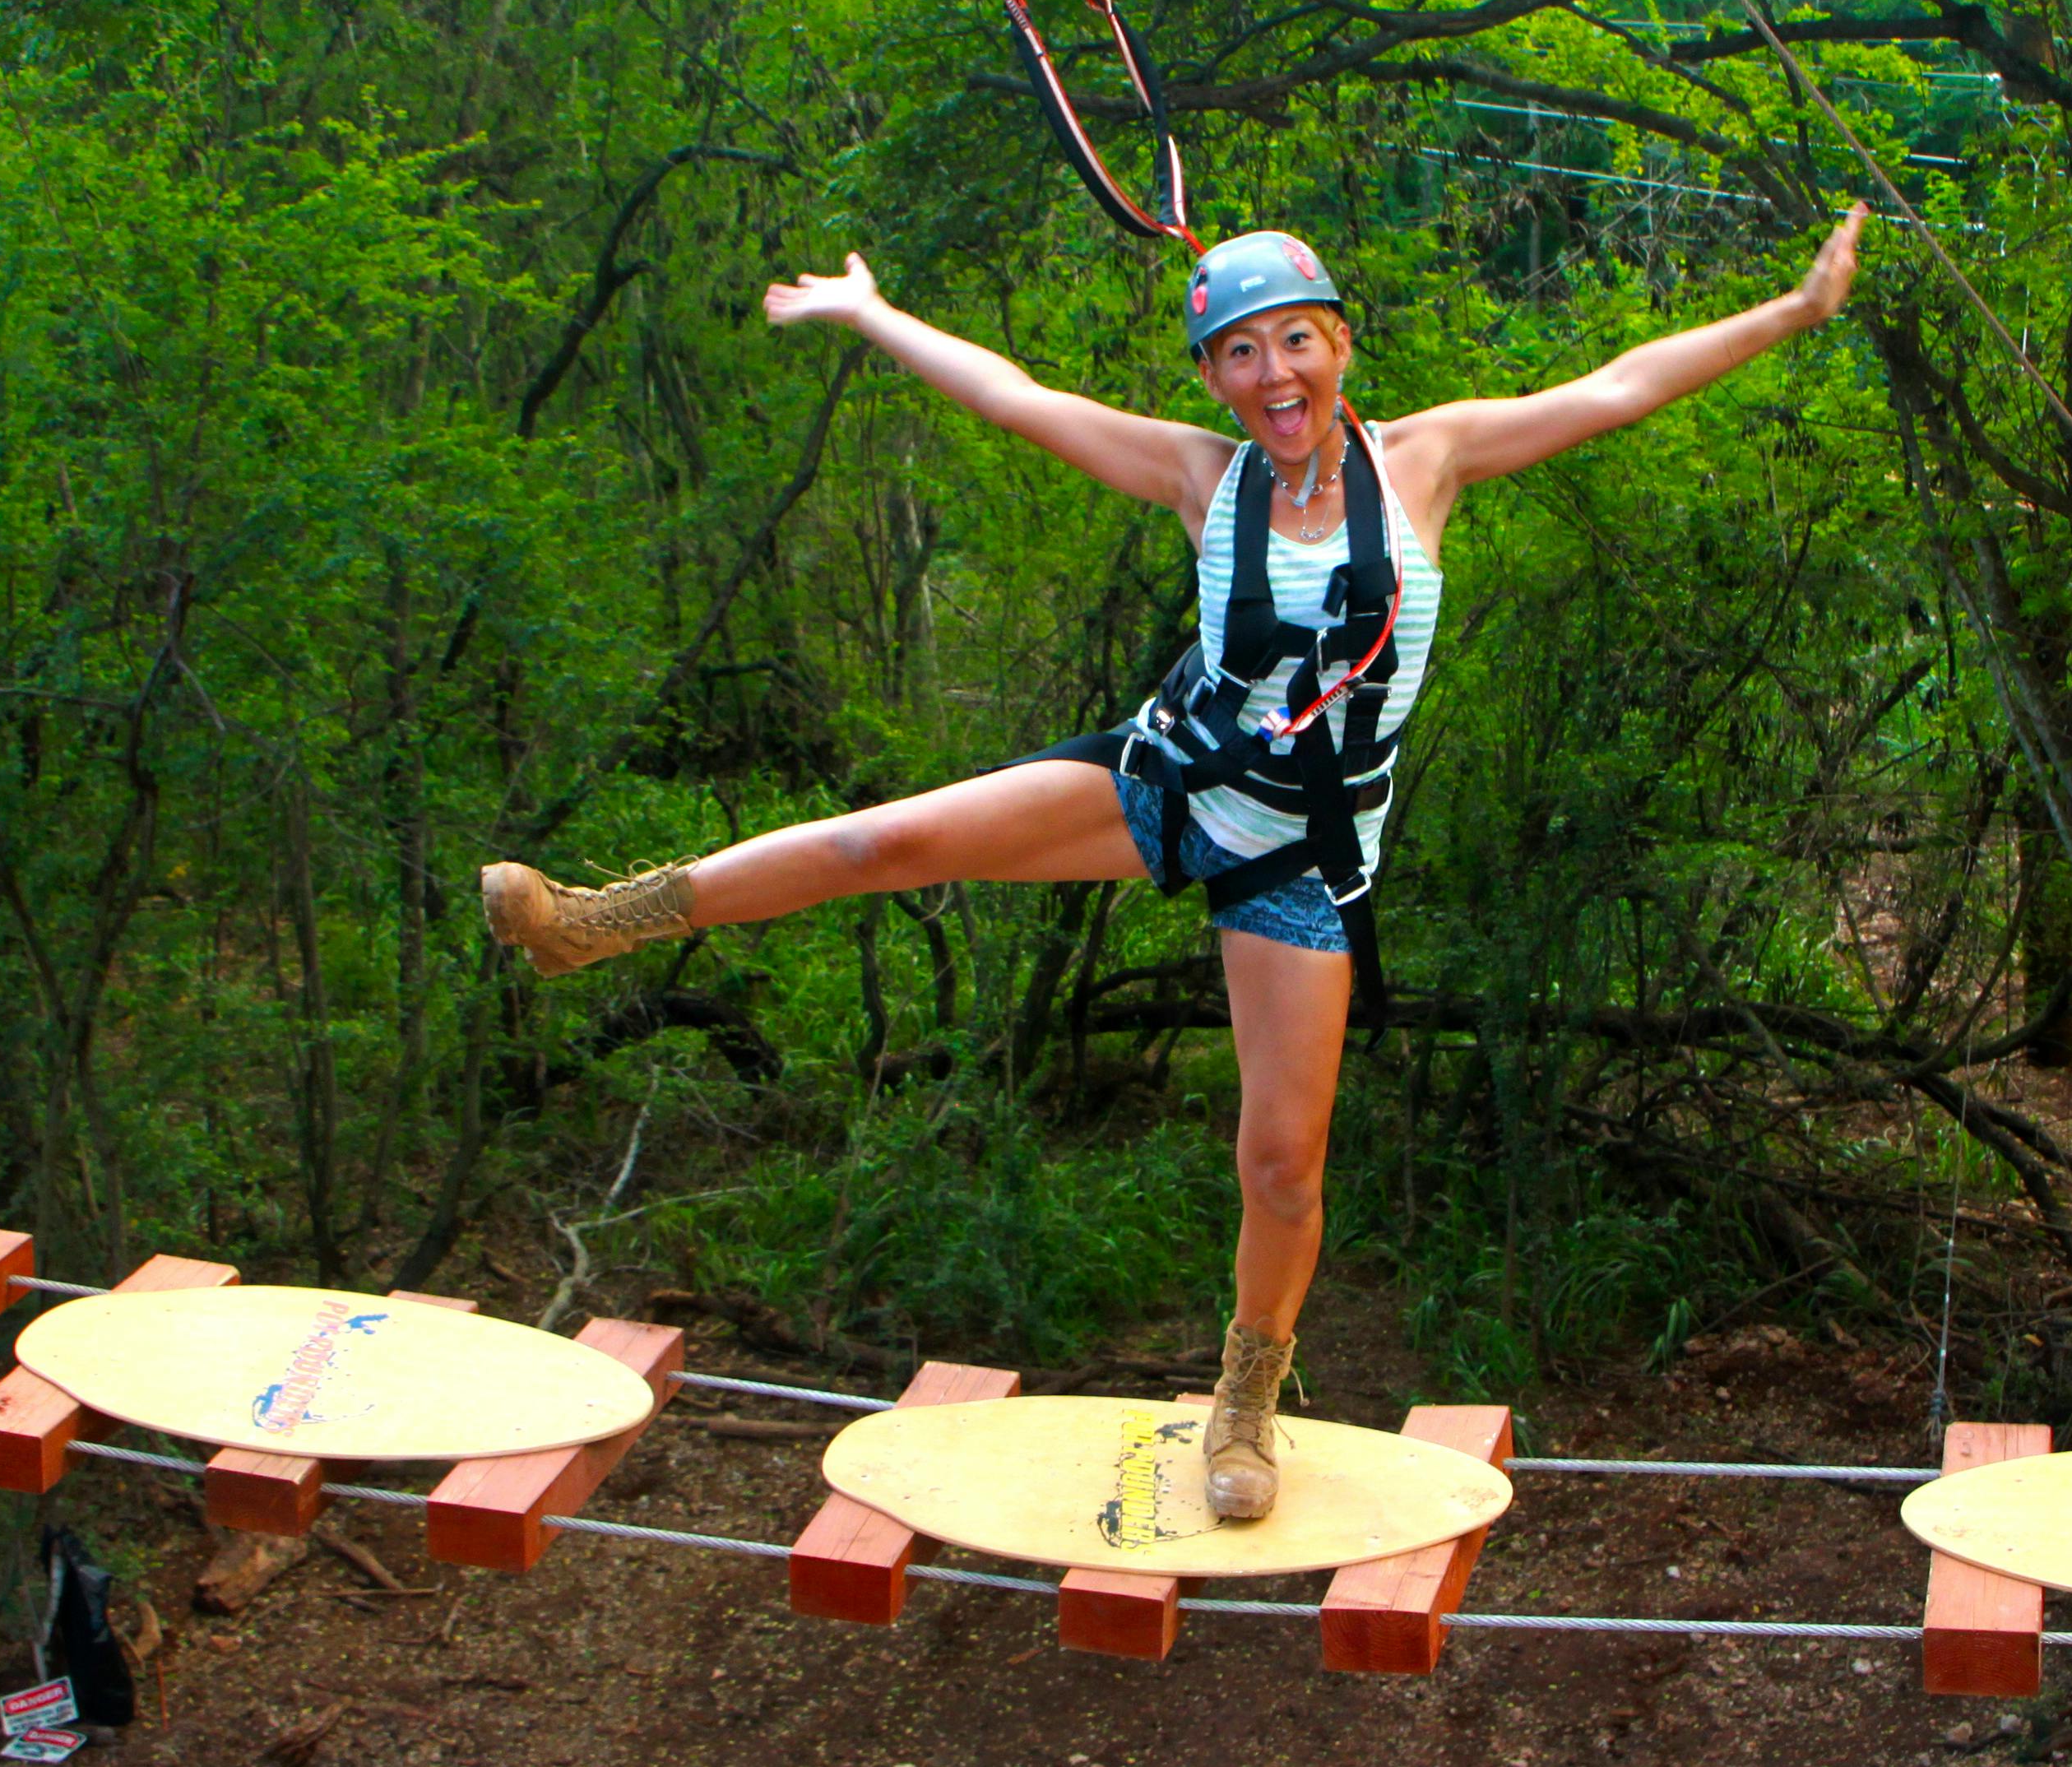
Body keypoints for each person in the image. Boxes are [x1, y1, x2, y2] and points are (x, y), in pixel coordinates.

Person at [480, 209, 1868, 1518]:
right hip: (1163, 782)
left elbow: (1621, 386)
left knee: (1281, 1166)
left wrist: (1799, 309)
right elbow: (1018, 399)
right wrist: (874, 312)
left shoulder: (1429, 461)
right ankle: (596, 921)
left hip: (1301, 862)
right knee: (881, 840)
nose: (1275, 373)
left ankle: (1245, 1401)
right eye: (1242, 353)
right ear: (1216, 378)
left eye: (1296, 341)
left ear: (1340, 346)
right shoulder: (1203, 477)